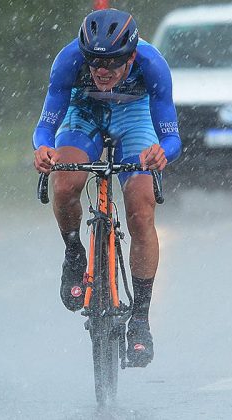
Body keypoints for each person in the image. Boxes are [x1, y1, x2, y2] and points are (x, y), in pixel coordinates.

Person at [32, 9, 181, 367]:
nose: (101, 71)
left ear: (131, 56)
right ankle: (73, 251)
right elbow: (46, 124)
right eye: (95, 62)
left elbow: (171, 136)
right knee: (65, 183)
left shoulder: (153, 64)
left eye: (112, 63)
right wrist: (43, 149)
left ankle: (141, 319)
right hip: (83, 113)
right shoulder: (68, 60)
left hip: (135, 116)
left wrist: (162, 154)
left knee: (141, 211)